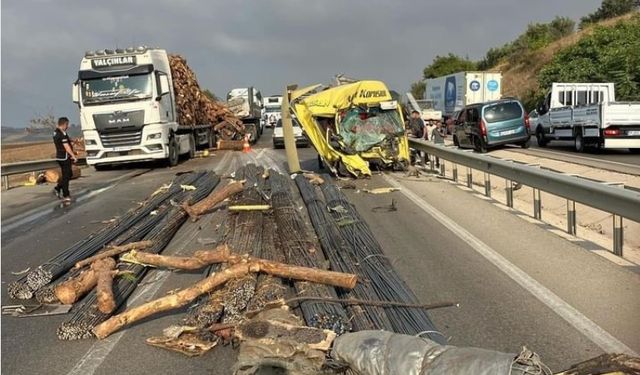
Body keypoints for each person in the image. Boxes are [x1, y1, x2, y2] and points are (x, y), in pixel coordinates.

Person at [53, 117, 77, 204]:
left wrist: (72, 140)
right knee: (66, 176)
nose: (68, 126)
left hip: (60, 157)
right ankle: (66, 195)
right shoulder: (61, 134)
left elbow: (66, 140)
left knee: (68, 174)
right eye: (67, 125)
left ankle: (58, 188)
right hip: (64, 157)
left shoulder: (57, 132)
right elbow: (66, 147)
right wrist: (73, 156)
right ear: (64, 124)